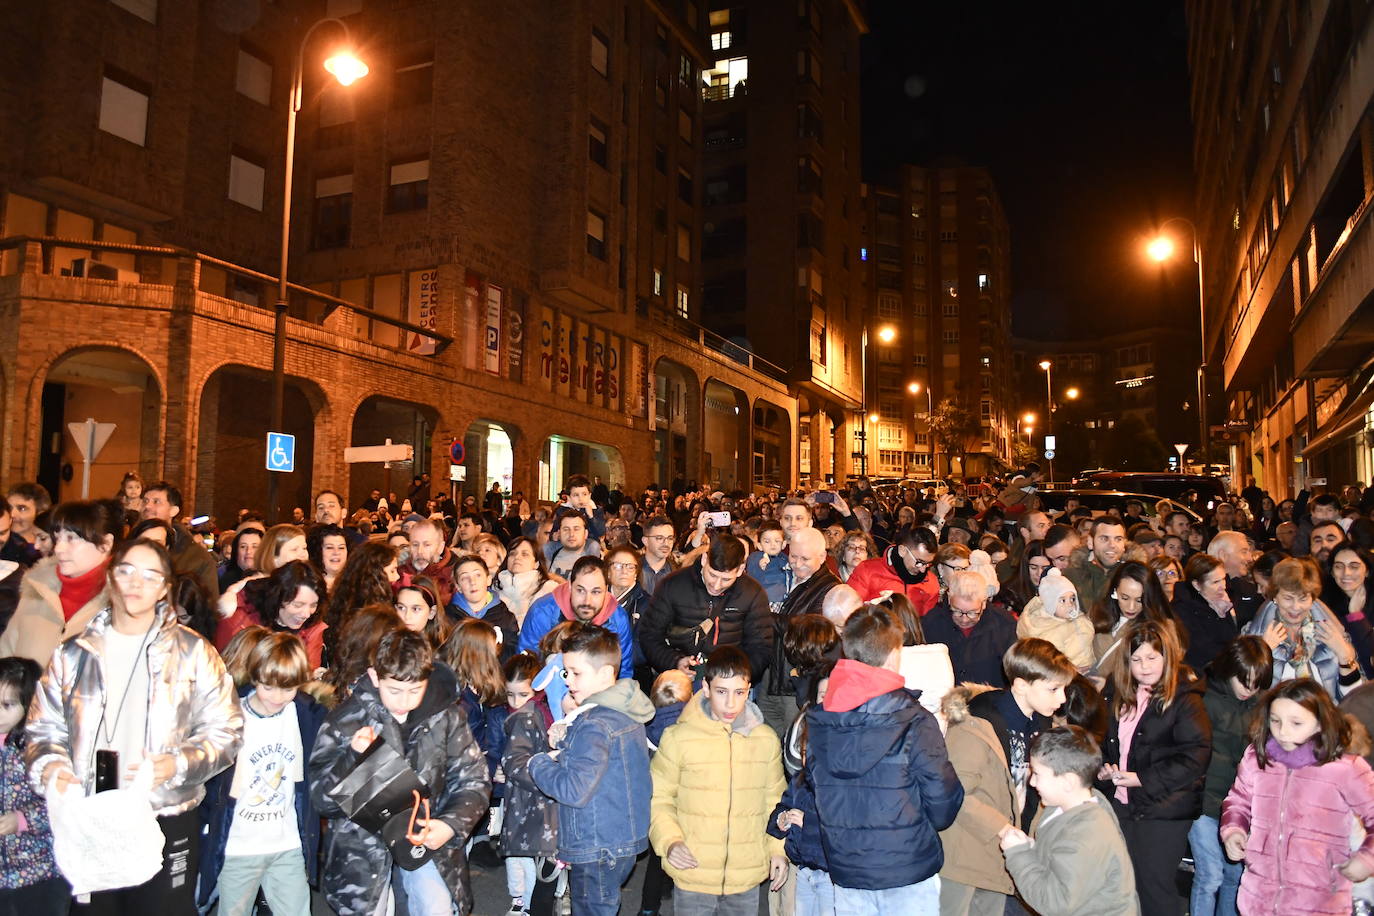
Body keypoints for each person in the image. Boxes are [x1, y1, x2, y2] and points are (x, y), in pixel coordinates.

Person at [28, 538, 243, 913]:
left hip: (164, 811)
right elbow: (42, 728)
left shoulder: (193, 652)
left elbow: (226, 729)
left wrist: (177, 764)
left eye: (150, 575)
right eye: (126, 571)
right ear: (111, 577)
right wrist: (52, 767)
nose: (135, 583)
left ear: (164, 588)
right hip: (92, 810)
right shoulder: (73, 652)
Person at [308, 628, 491, 916]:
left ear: (427, 678)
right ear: (373, 676)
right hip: (361, 847)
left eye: (414, 690)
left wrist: (450, 825)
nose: (404, 701)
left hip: (427, 833)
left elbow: (474, 779)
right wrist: (351, 760)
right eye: (394, 690)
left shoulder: (447, 714)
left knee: (437, 907)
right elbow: (321, 799)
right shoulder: (346, 720)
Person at [805, 604, 963, 914]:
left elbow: (815, 786)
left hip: (847, 867)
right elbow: (942, 802)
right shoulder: (914, 719)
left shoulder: (821, 721)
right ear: (893, 654)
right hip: (907, 866)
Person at [649, 645, 788, 913]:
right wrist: (670, 841)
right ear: (706, 687)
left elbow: (775, 802)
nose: (731, 704)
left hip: (745, 878)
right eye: (722, 692)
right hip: (693, 873)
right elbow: (659, 798)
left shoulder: (765, 741)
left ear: (749, 689)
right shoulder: (678, 738)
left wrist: (777, 850)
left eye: (740, 693)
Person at [528, 624, 654, 916]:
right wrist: (568, 738)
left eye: (576, 673)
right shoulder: (626, 709)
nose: (569, 680)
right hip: (620, 838)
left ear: (606, 674)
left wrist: (539, 762)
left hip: (595, 843)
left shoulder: (594, 724)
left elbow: (574, 790)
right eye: (566, 672)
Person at [1221, 678, 1374, 915]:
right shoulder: (1258, 757)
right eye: (1275, 721)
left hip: (1319, 901)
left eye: (1296, 723)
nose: (1282, 732)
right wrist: (1234, 831)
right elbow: (1238, 800)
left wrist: (1367, 859)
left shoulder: (1345, 768)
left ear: (1320, 723)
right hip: (1259, 898)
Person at [198, 633, 325, 916]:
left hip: (287, 842)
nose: (278, 697)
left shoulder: (305, 715)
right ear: (255, 677)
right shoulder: (231, 717)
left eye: (288, 688)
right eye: (268, 687)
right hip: (239, 846)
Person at [1099, 621, 1211, 916]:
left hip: (1165, 808)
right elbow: (1104, 742)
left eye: (1152, 658)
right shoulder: (1116, 692)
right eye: (1136, 659)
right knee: (1122, 884)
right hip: (1122, 803)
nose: (1144, 667)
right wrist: (1103, 769)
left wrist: (1142, 779)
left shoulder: (1184, 697)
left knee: (1154, 886)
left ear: (1167, 657)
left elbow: (1195, 756)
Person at [998, 726, 1139, 916]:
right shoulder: (1064, 806)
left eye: (1037, 774)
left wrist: (1018, 853)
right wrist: (1031, 848)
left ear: (1068, 782)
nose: (1031, 782)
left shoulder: (1088, 834)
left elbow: (1055, 904)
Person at [1190, 636, 1272, 916]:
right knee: (1210, 874)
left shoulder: (1262, 704)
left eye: (1256, 683)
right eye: (1244, 681)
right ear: (1230, 670)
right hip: (1202, 800)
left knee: (1234, 876)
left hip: (1239, 807)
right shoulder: (1203, 697)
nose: (1249, 689)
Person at [966, 638, 1077, 837]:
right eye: (1053, 689)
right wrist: (1002, 829)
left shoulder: (1040, 721)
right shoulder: (979, 722)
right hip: (981, 843)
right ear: (1021, 686)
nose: (1062, 699)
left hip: (1018, 835)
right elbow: (961, 793)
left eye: (1063, 689)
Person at [637, 534, 772, 682]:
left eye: (726, 579)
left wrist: (737, 675)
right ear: (704, 560)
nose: (716, 585)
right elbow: (649, 635)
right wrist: (674, 662)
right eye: (712, 575)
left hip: (730, 680)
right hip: (680, 681)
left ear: (740, 570)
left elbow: (761, 646)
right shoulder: (672, 585)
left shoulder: (753, 592)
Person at [0, 499, 121, 664]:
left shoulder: (122, 600)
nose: (58, 549)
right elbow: (6, 653)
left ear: (106, 543)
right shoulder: (37, 588)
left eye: (71, 539)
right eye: (57, 539)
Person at [937, 682, 1019, 914]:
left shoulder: (988, 732)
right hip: (965, 858)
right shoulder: (970, 732)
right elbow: (958, 792)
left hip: (985, 856)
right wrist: (1002, 827)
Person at [1243, 556, 1362, 698]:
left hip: (1326, 716)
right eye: (1288, 598)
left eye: (1303, 598)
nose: (1296, 607)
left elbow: (1354, 696)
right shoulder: (1254, 635)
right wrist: (1261, 653)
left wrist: (1344, 655)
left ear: (1313, 598)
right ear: (1275, 597)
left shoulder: (1332, 631)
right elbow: (1245, 694)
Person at [0, 656, 64, 915]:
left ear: (30, 703)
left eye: (7, 704)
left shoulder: (40, 748)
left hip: (40, 870)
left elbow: (61, 801)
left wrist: (22, 819)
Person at [497, 652, 558, 916]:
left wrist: (510, 766)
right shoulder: (528, 715)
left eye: (523, 695)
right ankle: (521, 901)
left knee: (532, 856)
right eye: (510, 695)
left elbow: (517, 759)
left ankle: (529, 905)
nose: (516, 702)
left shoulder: (532, 716)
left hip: (534, 797)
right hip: (523, 797)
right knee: (520, 855)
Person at [518, 557, 636, 678]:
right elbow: (526, 667)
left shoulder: (617, 617)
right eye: (580, 590)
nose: (587, 601)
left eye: (596, 592)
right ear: (569, 586)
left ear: (606, 590)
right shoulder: (542, 612)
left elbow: (623, 672)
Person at [215, 560, 328, 669]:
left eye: (313, 605)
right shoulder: (240, 617)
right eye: (298, 605)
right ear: (278, 597)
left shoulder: (313, 627)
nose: (306, 614)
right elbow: (225, 670)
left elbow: (308, 677)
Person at [923, 570, 1020, 687]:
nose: (964, 620)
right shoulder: (932, 622)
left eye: (973, 613)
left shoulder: (1004, 624)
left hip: (989, 700)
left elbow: (1013, 671)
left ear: (984, 603)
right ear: (949, 599)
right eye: (957, 611)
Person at [1089, 561, 1181, 672]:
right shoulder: (1096, 613)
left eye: (1139, 600)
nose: (1131, 607)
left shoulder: (1162, 627)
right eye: (1125, 598)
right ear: (1115, 591)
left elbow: (1167, 671)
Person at [140, 481, 219, 601]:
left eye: (156, 502)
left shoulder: (196, 557)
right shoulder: (128, 546)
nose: (147, 506)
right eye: (145, 501)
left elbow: (208, 605)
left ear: (173, 511)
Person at [846, 526, 941, 615]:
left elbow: (929, 625)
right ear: (902, 551)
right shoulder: (867, 570)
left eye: (928, 564)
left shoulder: (931, 582)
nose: (922, 569)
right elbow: (849, 611)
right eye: (919, 562)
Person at [1174, 554, 1242, 673]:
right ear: (1196, 585)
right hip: (1203, 674)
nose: (1223, 586)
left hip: (1226, 667)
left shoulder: (1222, 601)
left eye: (1223, 579)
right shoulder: (1182, 609)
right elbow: (1200, 652)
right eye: (1215, 582)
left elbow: (1232, 638)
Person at [1017, 567, 1094, 670]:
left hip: (1088, 670)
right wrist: (1072, 670)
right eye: (1062, 600)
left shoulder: (1081, 621)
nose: (1070, 604)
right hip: (1062, 675)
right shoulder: (1045, 630)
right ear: (1050, 603)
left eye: (1072, 599)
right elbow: (1051, 664)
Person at [448, 555, 519, 661]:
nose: (472, 582)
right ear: (458, 587)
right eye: (464, 578)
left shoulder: (505, 617)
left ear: (488, 579)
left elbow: (511, 657)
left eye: (478, 575)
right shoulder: (447, 617)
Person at [1324, 544, 1374, 678]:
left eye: (1354, 566)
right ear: (1332, 572)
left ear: (1367, 570)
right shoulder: (1324, 605)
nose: (1346, 573)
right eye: (1339, 566)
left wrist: (1356, 615)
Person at [493, 537, 560, 628]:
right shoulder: (495, 590)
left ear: (536, 564)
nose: (517, 557)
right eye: (512, 554)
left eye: (525, 554)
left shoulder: (549, 590)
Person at [1067, 518, 1127, 611]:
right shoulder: (1071, 576)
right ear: (1090, 542)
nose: (1112, 545)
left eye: (1118, 539)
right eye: (1104, 538)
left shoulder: (1137, 576)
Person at [402, 519, 460, 606]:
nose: (420, 551)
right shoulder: (399, 573)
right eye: (415, 545)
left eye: (427, 545)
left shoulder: (456, 576)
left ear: (440, 547)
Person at [545, 512, 601, 580]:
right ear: (559, 533)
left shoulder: (592, 555)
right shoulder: (549, 552)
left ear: (585, 534)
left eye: (576, 529)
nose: (571, 534)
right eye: (566, 529)